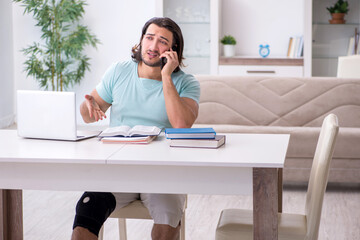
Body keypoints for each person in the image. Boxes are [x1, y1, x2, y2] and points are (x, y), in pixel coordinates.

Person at [71, 17, 200, 240]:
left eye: (162, 41)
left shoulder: (187, 83)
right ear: (141, 40)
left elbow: (182, 124)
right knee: (86, 213)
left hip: (163, 173)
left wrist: (166, 76)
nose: (152, 46)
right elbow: (88, 115)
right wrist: (88, 106)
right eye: (149, 38)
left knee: (167, 223)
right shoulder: (119, 71)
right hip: (119, 170)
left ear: (173, 50)